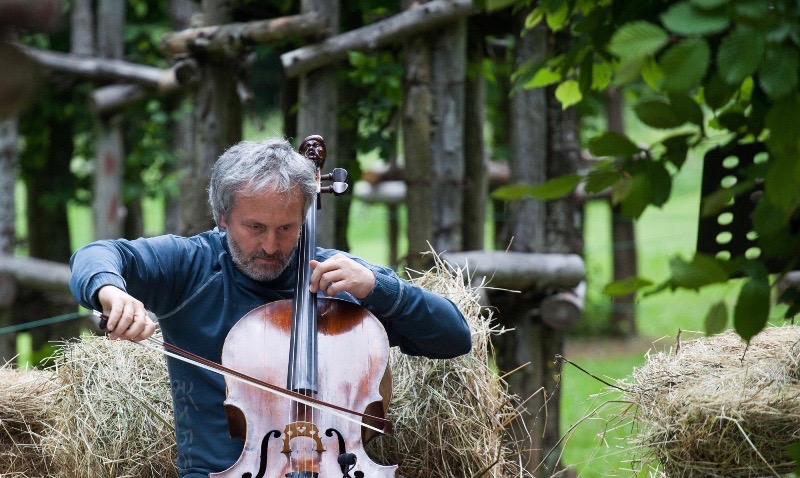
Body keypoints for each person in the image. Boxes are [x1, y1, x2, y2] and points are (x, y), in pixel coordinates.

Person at [69, 138, 472, 478]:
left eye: (287, 228)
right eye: (255, 227)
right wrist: (111, 292)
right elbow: (98, 255)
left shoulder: (341, 279)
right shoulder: (190, 266)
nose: (271, 246)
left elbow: (455, 337)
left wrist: (382, 290)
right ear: (223, 216)